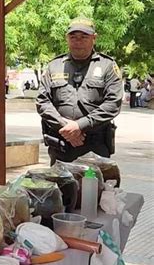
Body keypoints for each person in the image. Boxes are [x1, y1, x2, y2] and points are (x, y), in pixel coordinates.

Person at [36, 17, 123, 164]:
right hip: (61, 144)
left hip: (94, 145)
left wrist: (80, 125)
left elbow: (113, 103)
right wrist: (66, 127)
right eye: (73, 37)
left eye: (84, 37)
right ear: (67, 38)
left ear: (94, 38)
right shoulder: (54, 65)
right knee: (60, 186)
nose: (78, 41)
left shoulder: (107, 66)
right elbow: (42, 101)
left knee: (94, 186)